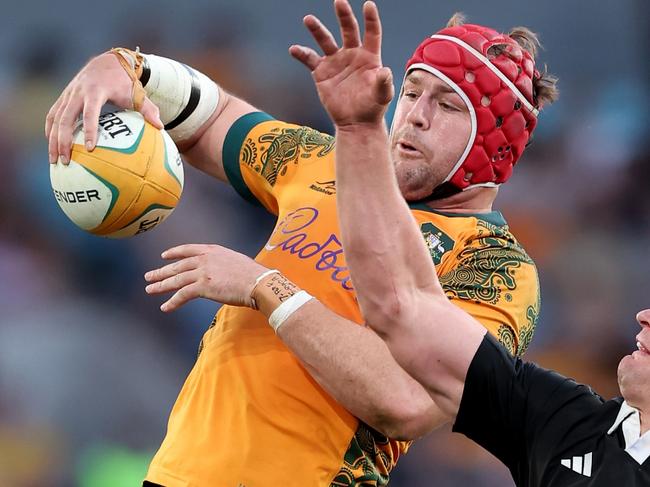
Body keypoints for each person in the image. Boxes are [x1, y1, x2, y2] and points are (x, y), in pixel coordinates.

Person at [45, 1, 556, 485]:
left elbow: (407, 402)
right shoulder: (325, 163)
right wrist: (128, 69)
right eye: (414, 91)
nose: (416, 114)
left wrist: (267, 288)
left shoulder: (497, 268)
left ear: (496, 144)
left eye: (447, 104)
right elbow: (213, 117)